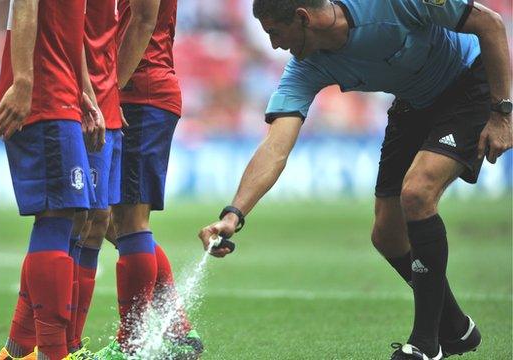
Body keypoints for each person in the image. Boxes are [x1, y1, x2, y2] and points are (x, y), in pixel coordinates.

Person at [197, 0, 511, 359]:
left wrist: (502, 112)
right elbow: (275, 147)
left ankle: (426, 345)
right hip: (414, 100)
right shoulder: (306, 67)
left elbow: (491, 24)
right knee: (388, 235)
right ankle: (456, 329)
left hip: (469, 82)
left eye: (275, 33)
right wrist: (232, 214)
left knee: (417, 192)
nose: (273, 46)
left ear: (302, 18)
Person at [0, 0, 104, 359]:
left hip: (62, 90)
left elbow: (67, 30)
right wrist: (24, 81)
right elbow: (24, 4)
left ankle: (19, 350)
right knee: (58, 215)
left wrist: (82, 88)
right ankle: (53, 354)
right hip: (42, 92)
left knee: (76, 216)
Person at [94, 0, 204, 359]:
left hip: (140, 91)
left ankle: (130, 345)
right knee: (109, 220)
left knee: (130, 221)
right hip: (133, 91)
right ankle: (177, 330)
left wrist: (111, 91)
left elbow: (142, 20)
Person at [63, 0, 125, 356]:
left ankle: (70, 343)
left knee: (100, 221)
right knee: (78, 219)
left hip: (109, 103)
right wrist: (88, 95)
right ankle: (59, 343)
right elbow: (71, 33)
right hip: (87, 103)